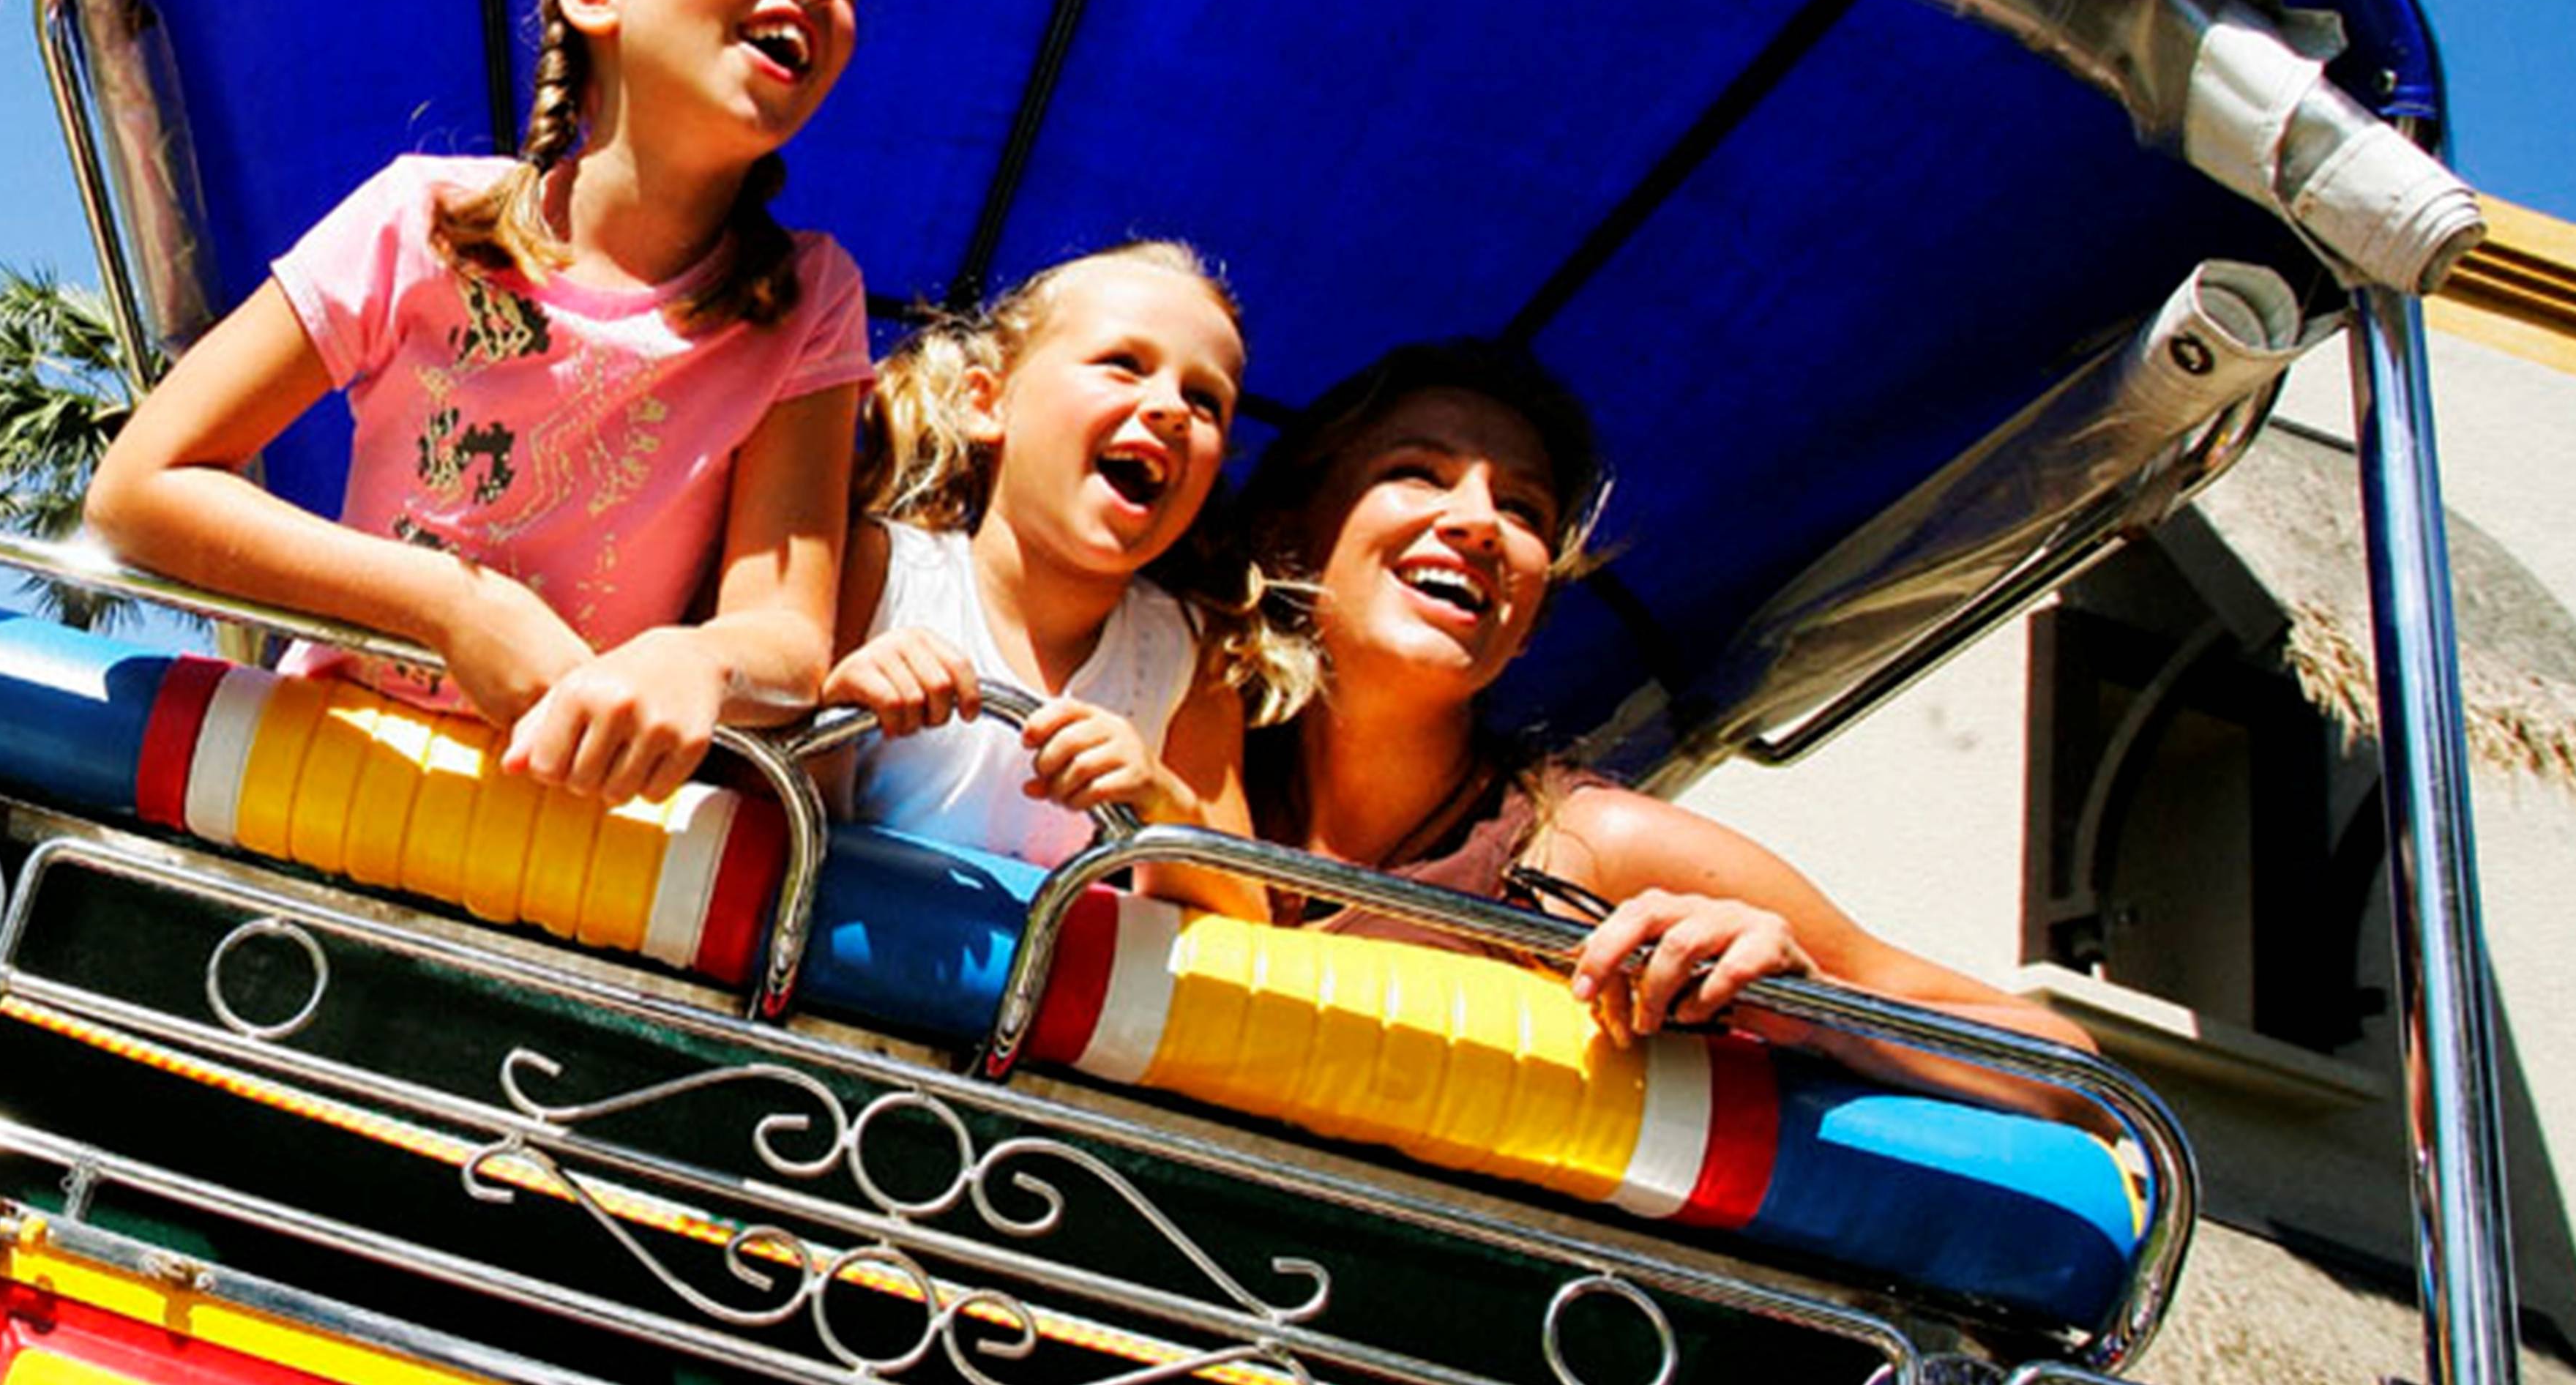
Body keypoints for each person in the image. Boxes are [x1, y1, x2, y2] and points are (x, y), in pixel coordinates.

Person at [86, 0, 872, 811]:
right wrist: (449, 605)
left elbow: (786, 637)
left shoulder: (809, 301)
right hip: (325, 773)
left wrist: (700, 664)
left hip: (568, 834)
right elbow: (142, 489)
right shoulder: (422, 215)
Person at [1237, 337, 2102, 1117]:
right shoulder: (1185, 757)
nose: (1476, 523)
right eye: (1418, 472)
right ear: (1290, 539)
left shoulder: (1582, 841)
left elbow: (2072, 1074)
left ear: (1530, 615)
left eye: (1523, 511)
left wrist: (1812, 1009)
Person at [824, 242, 1262, 911]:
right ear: (986, 402)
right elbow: (738, 806)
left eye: (1205, 401)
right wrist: (836, 719)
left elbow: (1243, 913)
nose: (1172, 407)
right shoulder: (881, 571)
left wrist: (1159, 803)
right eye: (1124, 364)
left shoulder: (1183, 654)